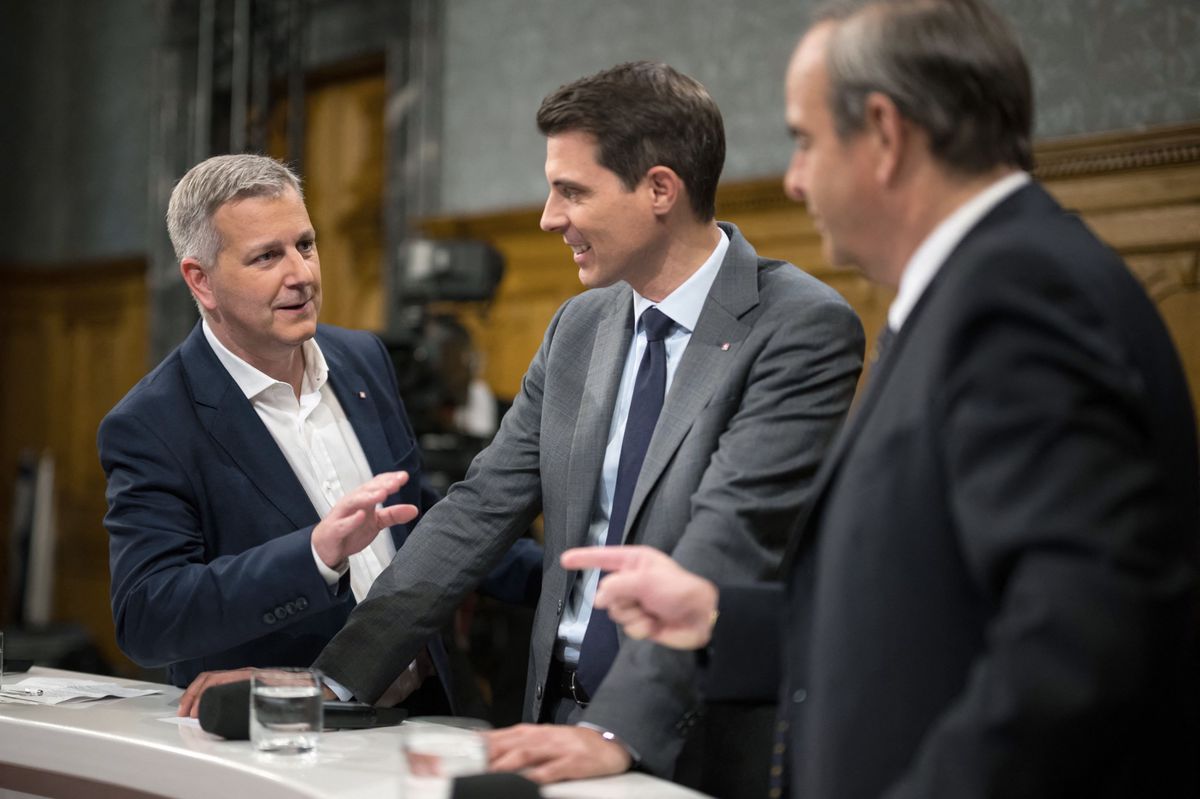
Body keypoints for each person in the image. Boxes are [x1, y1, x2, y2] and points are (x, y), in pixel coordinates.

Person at [564, 2, 1200, 797]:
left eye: (804, 140)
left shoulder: (1022, 299)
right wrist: (720, 618)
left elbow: (1073, 650)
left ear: (886, 135)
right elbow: (926, 609)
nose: (793, 180)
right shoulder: (976, 290)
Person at [291, 62, 864, 792]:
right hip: (554, 719)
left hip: (689, 742)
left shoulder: (800, 327)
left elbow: (728, 539)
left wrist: (615, 729)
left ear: (659, 189)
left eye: (571, 190)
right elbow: (478, 509)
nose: (548, 217)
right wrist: (332, 682)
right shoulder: (578, 326)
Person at [99, 154, 540, 715]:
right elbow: (148, 616)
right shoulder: (153, 423)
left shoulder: (362, 359)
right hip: (286, 734)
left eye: (305, 245)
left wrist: (562, 579)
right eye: (266, 256)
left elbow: (418, 517)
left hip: (426, 710)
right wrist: (314, 555)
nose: (301, 275)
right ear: (200, 281)